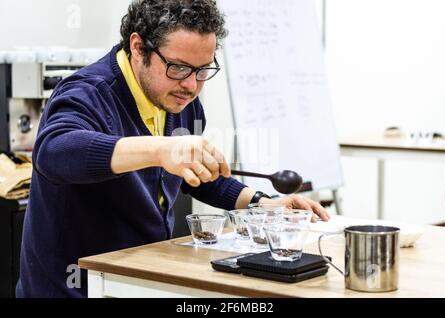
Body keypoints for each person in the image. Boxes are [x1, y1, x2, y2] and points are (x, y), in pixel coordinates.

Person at [16, 0, 329, 298]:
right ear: (138, 48)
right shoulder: (88, 93)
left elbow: (199, 176)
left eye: (203, 70)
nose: (191, 86)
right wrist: (161, 149)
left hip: (134, 279)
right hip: (72, 286)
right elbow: (54, 151)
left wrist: (262, 204)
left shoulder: (178, 100)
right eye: (179, 68)